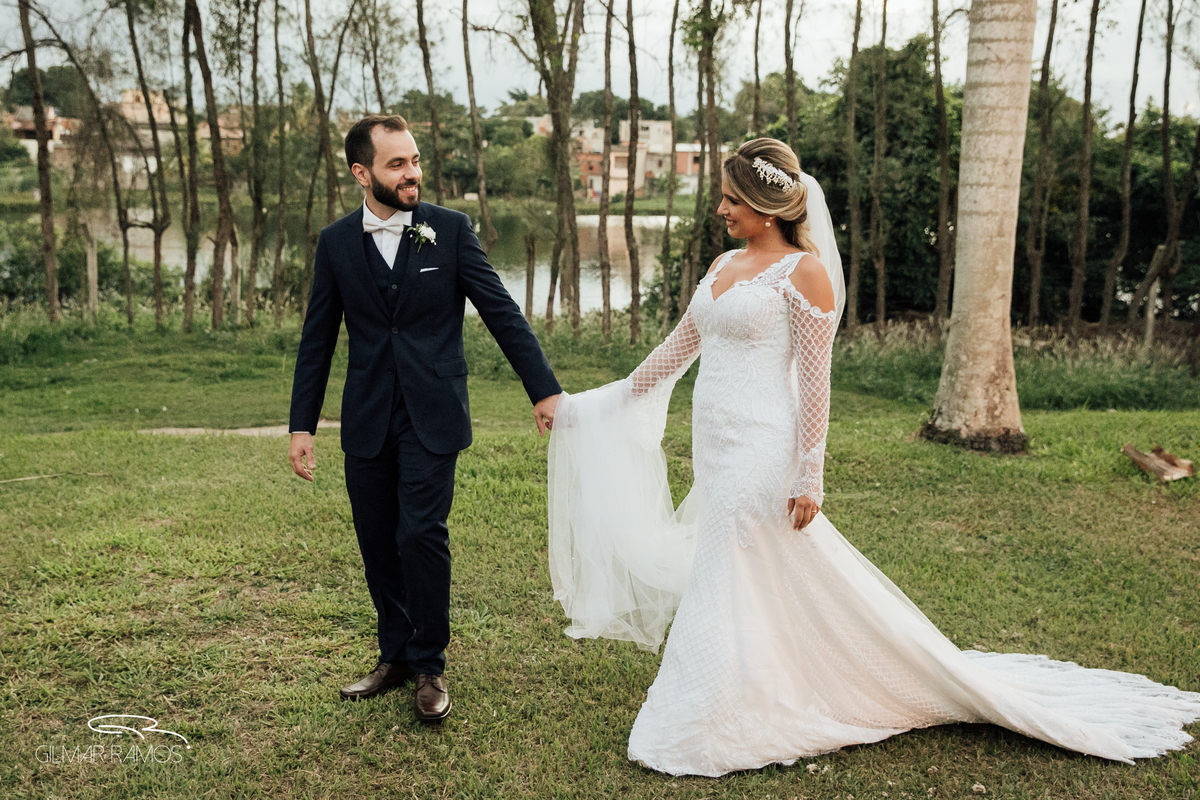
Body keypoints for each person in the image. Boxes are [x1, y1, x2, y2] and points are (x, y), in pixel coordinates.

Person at [547, 138, 1200, 776]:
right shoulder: (721, 269)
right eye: (721, 198)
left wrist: (810, 475)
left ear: (765, 206)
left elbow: (816, 382)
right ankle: (762, 680)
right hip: (714, 451)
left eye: (728, 199)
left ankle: (710, 709)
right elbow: (670, 356)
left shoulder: (805, 274)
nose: (720, 210)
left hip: (763, 451)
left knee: (723, 572)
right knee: (754, 574)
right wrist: (582, 407)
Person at [288, 114, 562, 722]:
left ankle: (429, 664)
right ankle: (395, 656)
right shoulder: (335, 244)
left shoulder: (451, 230)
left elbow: (502, 313)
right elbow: (317, 341)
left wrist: (542, 389)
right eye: (396, 165)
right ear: (362, 174)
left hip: (433, 413)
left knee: (420, 533)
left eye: (414, 161)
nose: (412, 173)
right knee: (378, 541)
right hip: (365, 417)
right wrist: (301, 425)